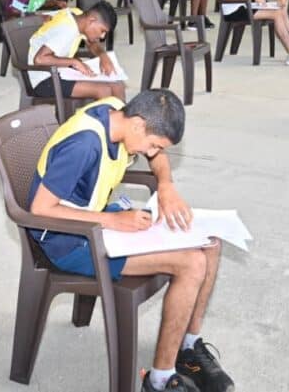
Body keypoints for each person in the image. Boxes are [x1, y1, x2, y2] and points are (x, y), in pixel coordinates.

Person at [27, 89, 235, 392]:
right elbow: (41, 209)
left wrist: (166, 185)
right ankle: (160, 381)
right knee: (192, 263)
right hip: (67, 240)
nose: (153, 152)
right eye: (154, 144)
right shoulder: (84, 145)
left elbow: (157, 157)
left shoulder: (118, 112)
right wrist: (113, 220)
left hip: (95, 221)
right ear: (138, 124)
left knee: (210, 242)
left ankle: (188, 349)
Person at [27, 2, 125, 100]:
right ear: (91, 21)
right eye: (102, 31)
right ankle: (108, 110)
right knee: (103, 90)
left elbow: (91, 43)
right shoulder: (67, 30)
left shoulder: (78, 16)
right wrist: (74, 62)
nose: (102, 36)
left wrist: (103, 56)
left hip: (60, 71)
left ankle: (122, 111)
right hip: (43, 78)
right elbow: (39, 59)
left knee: (117, 84)